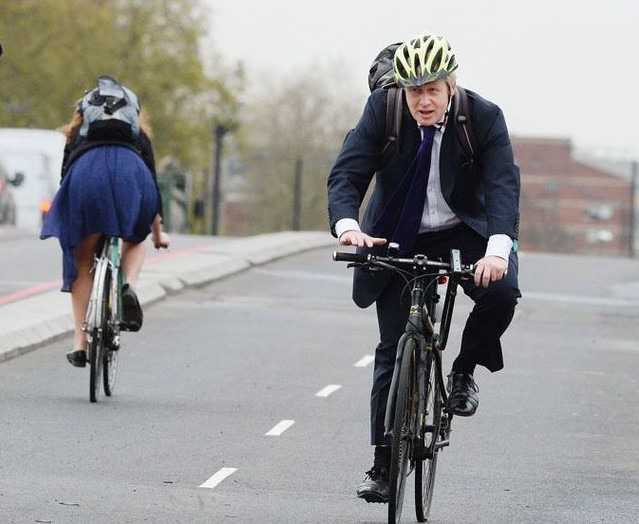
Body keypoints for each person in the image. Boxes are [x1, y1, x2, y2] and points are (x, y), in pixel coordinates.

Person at [327, 31, 521, 503]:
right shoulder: (384, 110)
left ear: (451, 84)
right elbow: (347, 173)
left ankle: (462, 371)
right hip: (392, 230)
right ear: (402, 88)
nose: (424, 101)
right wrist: (349, 226)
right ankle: (381, 464)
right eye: (415, 91)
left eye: (433, 89)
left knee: (502, 293)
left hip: (461, 228)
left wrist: (497, 251)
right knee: (392, 349)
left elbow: (502, 186)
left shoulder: (484, 117)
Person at [40, 75, 170, 368]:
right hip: (131, 173)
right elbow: (152, 184)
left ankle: (80, 344)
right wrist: (158, 232)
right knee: (135, 239)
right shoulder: (138, 135)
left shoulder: (79, 131)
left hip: (86, 174)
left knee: (81, 257)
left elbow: (65, 174)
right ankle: (129, 288)